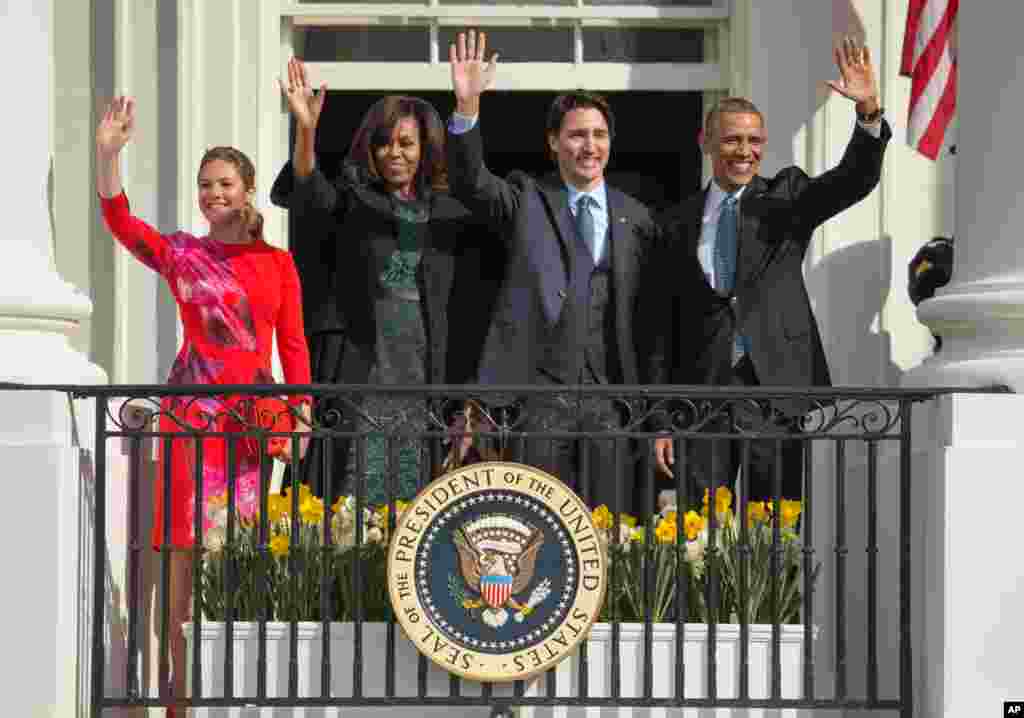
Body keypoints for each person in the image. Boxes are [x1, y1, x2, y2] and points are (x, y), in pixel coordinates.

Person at [96, 97, 312, 711]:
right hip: (193, 419)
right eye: (204, 185)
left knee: (241, 551)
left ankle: (233, 692)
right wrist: (108, 158)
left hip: (252, 423)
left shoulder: (277, 263)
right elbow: (124, 226)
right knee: (187, 552)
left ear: (247, 193)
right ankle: (179, 697)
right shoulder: (183, 253)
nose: (212, 193)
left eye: (224, 183)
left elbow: (293, 348)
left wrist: (301, 415)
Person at [647, 36, 891, 504]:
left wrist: (868, 115)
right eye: (733, 140)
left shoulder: (788, 197)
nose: (745, 151)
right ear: (707, 143)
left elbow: (852, 180)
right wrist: (661, 416)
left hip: (774, 388)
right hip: (703, 396)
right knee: (701, 531)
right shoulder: (673, 223)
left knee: (775, 528)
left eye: (755, 141)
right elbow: (660, 327)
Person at [446, 30, 660, 515]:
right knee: (540, 526)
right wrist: (467, 108)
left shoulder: (638, 217)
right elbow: (471, 182)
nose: (590, 145)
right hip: (541, 402)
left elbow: (653, 317)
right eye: (577, 134)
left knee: (610, 530)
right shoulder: (526, 200)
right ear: (553, 142)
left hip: (611, 403)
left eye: (599, 134)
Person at [271, 59, 501, 504]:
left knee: (418, 503)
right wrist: (305, 132)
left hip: (425, 375)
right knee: (347, 495)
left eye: (406, 143)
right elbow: (307, 191)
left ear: (424, 149)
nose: (394, 153)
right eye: (384, 144)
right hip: (360, 371)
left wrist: (471, 400)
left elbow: (477, 303)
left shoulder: (452, 215)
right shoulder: (351, 201)